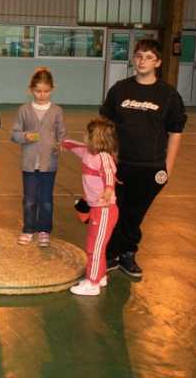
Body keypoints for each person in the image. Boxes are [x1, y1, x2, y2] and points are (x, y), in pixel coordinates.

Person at [100, 38, 187, 278]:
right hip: (120, 164)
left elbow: (175, 133)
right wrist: (109, 158)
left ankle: (127, 253)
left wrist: (167, 168)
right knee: (115, 209)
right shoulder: (120, 89)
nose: (142, 61)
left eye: (149, 57)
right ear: (133, 58)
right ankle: (111, 254)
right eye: (139, 56)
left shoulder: (168, 95)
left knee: (135, 213)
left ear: (158, 62)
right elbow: (106, 125)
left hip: (151, 167)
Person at [62, 118, 118, 296]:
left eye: (87, 133)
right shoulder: (88, 152)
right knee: (97, 246)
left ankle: (92, 284)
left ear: (95, 138)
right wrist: (63, 143)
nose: (84, 135)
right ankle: (100, 276)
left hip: (104, 210)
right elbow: (75, 146)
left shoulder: (104, 157)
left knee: (94, 248)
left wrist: (108, 189)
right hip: (96, 208)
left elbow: (109, 173)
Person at [11, 67, 66, 247]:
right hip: (29, 164)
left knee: (46, 200)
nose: (42, 95)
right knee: (29, 199)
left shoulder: (57, 111)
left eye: (46, 91)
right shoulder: (24, 110)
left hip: (48, 164)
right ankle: (28, 229)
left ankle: (44, 230)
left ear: (52, 89)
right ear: (31, 90)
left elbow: (62, 134)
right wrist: (24, 136)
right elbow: (14, 134)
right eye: (38, 91)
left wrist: (61, 144)